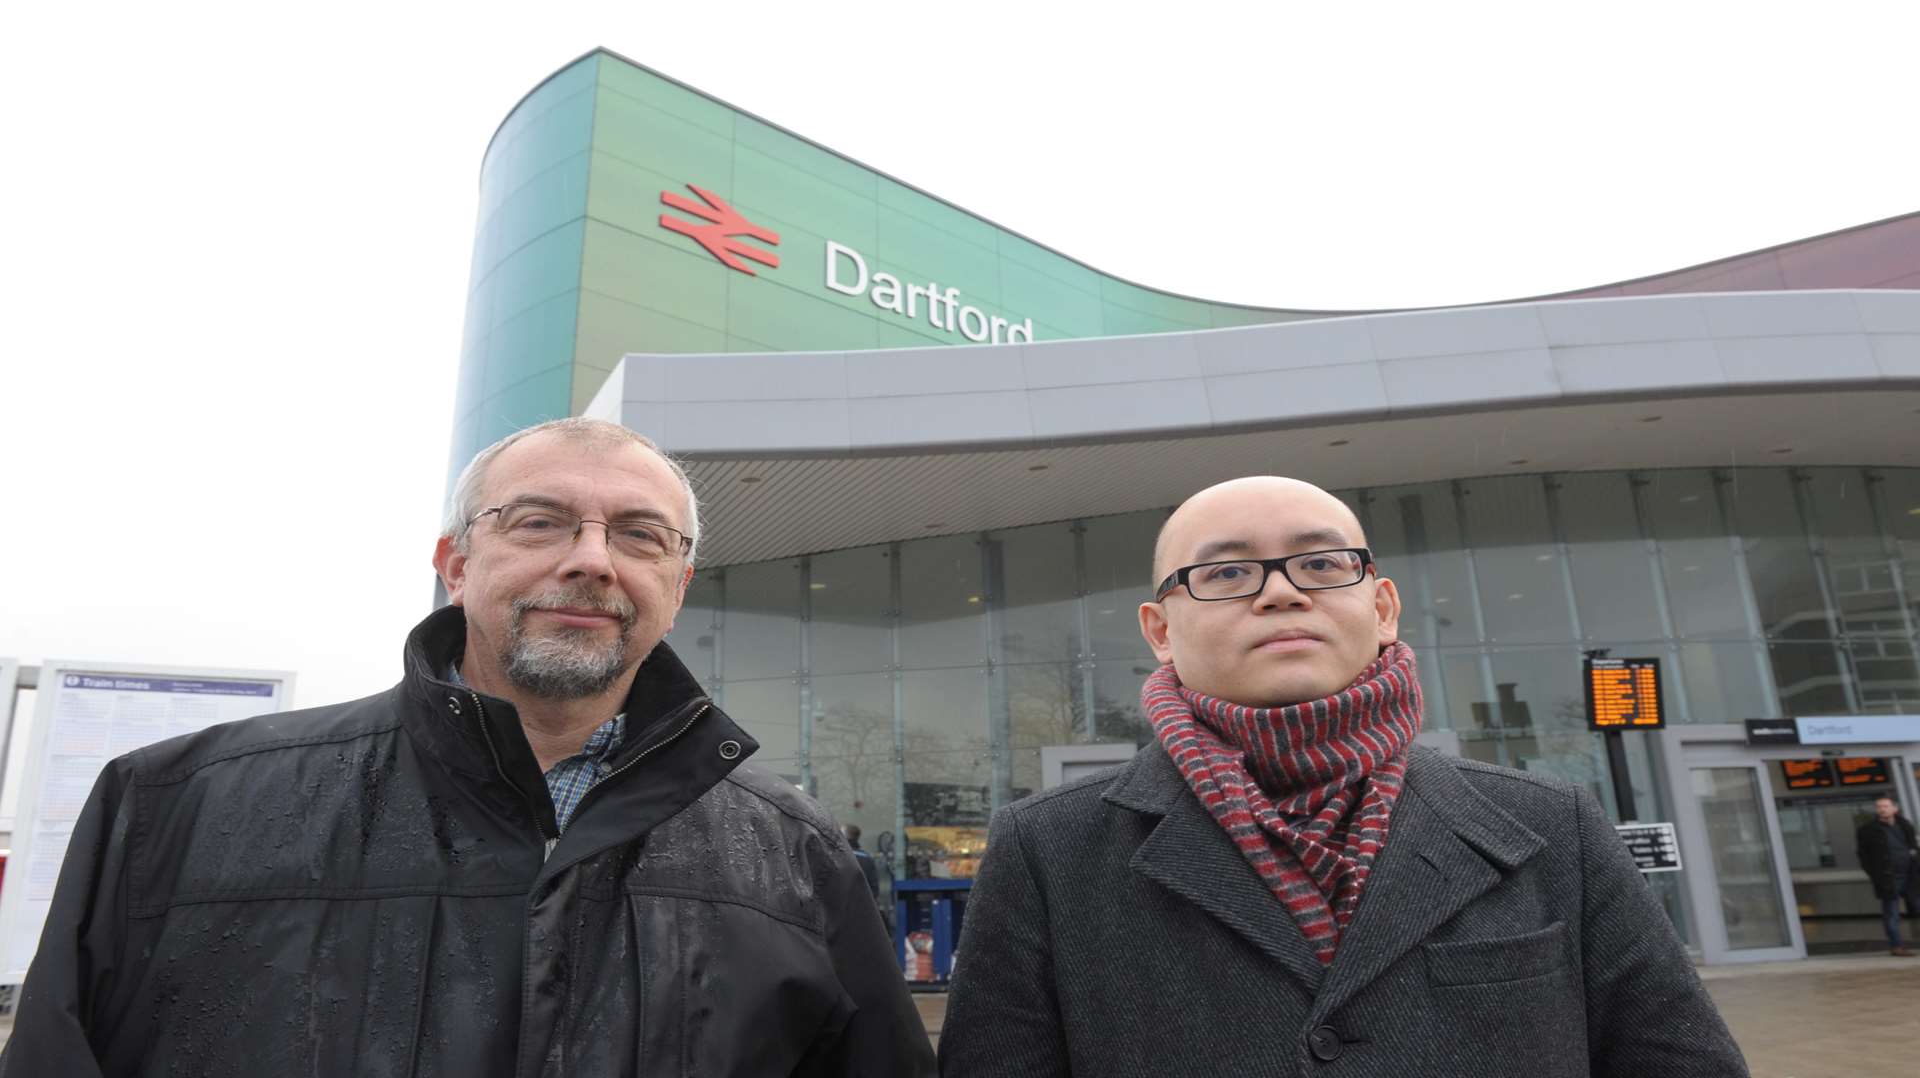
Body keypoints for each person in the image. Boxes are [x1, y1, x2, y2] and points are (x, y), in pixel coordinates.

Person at [3, 417, 935, 1077]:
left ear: (677, 584)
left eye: (641, 535)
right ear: (455, 564)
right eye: (540, 522)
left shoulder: (796, 853)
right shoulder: (175, 806)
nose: (593, 559)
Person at [939, 476, 1746, 1077]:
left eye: (1322, 563)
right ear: (1160, 629)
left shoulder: (1550, 826)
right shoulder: (1048, 848)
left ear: (1383, 607)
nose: (1282, 592)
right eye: (1224, 574)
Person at [1855, 794, 1920, 957]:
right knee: (1891, 912)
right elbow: (1864, 856)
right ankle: (1896, 946)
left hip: (1911, 875)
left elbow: (1913, 847)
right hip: (1888, 878)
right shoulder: (1868, 830)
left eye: (1885, 806)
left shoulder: (1905, 825)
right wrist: (1875, 875)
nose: (1881, 809)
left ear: (1894, 808)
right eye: (1879, 807)